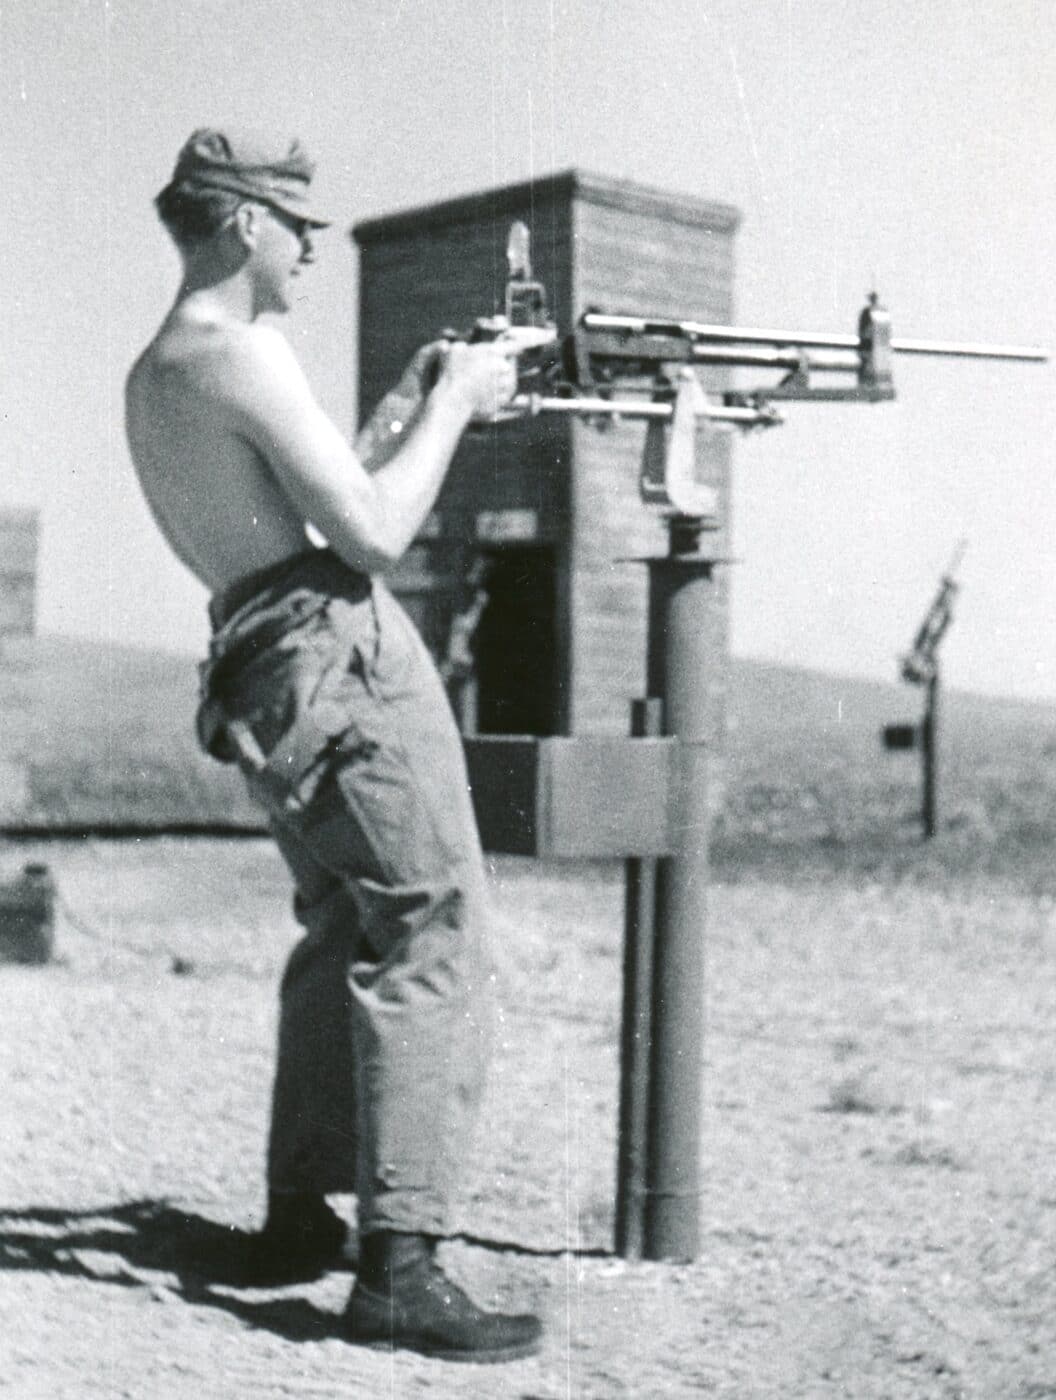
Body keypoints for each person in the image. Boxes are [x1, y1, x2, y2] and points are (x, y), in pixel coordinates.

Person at [125, 128, 541, 1364]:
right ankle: (401, 1265)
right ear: (246, 221)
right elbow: (367, 535)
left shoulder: (168, 365)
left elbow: (301, 510)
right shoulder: (242, 352)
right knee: (431, 917)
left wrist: (412, 404)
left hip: (262, 655)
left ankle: (300, 1215)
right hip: (335, 656)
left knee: (344, 923)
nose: (312, 244)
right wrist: (464, 407)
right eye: (297, 223)